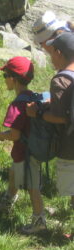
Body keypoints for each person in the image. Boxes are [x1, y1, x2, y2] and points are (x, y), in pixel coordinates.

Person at [0, 56, 46, 234]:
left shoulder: (17, 105)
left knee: (32, 187)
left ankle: (39, 220)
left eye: (4, 76)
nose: (4, 80)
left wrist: (2, 136)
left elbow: (15, 134)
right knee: (14, 172)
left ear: (13, 79)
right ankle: (7, 202)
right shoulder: (33, 97)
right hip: (33, 149)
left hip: (26, 153)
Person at [27, 32, 74, 216]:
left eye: (52, 52)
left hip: (70, 146)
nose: (51, 56)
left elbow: (63, 117)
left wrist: (37, 112)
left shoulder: (60, 80)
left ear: (60, 53)